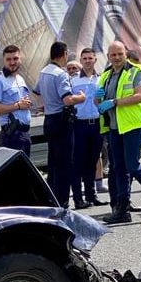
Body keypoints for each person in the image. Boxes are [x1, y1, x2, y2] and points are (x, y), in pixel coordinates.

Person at [96, 41, 141, 223]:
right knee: (118, 167)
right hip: (114, 125)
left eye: (120, 54)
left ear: (125, 54)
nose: (117, 58)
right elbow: (98, 101)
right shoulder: (106, 75)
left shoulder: (136, 71)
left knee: (132, 165)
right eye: (113, 55)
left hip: (133, 124)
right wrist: (98, 98)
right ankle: (122, 210)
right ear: (108, 57)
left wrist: (115, 102)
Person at [33, 41, 86, 207]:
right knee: (65, 163)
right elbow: (67, 99)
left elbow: (36, 92)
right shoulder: (60, 74)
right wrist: (81, 97)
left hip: (49, 119)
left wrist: (48, 102)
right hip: (61, 120)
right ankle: (62, 200)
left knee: (53, 162)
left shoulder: (43, 72)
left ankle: (51, 198)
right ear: (64, 54)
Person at [70, 48, 108, 209]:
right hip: (80, 124)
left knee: (92, 161)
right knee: (78, 162)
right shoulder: (73, 80)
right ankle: (78, 198)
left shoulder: (102, 79)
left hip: (97, 124)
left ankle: (92, 196)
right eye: (84, 58)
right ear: (81, 60)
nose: (87, 61)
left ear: (95, 60)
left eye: (90, 58)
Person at [0, 45, 33, 156]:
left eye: (15, 58)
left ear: (20, 59)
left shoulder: (20, 78)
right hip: (12, 134)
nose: (12, 62)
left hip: (24, 133)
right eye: (8, 59)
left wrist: (26, 104)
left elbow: (21, 103)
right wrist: (18, 105)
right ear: (3, 60)